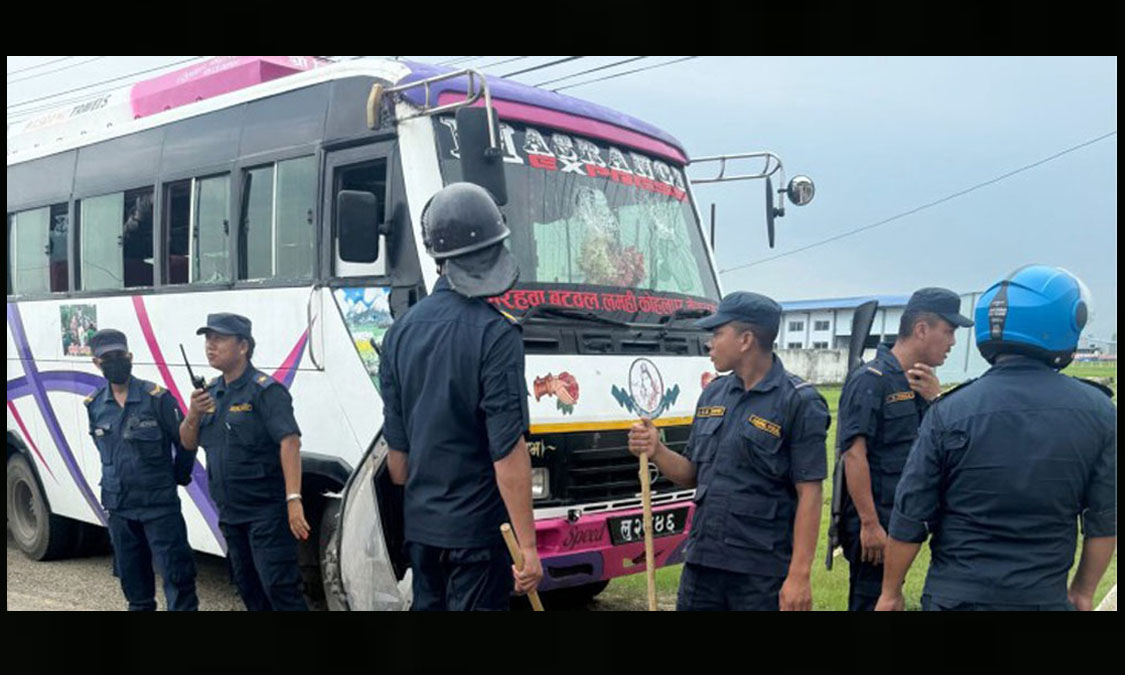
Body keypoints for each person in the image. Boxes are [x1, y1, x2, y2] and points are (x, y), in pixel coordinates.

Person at [877, 265, 1116, 611]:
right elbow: (1104, 519)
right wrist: (1082, 592)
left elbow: (911, 515)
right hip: (1041, 599)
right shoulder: (1099, 412)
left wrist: (890, 592)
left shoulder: (949, 411)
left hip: (955, 599)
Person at [378, 182, 542, 611]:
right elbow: (507, 454)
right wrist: (528, 548)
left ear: (438, 257)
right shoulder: (497, 333)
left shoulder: (398, 334)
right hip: (478, 537)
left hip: (422, 531)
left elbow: (398, 466)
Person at [628, 292, 830, 610]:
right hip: (703, 563)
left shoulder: (798, 402)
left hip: (760, 573)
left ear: (746, 339)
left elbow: (810, 494)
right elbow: (691, 473)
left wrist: (799, 576)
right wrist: (657, 450)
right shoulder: (714, 394)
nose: (710, 344)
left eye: (718, 333)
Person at [835, 288, 972, 610]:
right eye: (948, 331)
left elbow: (942, 448)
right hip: (877, 524)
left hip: (904, 521)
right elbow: (853, 454)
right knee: (871, 600)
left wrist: (937, 401)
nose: (952, 342)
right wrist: (869, 524)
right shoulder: (872, 379)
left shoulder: (921, 384)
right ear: (922, 329)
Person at [179, 313, 309, 611]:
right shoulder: (209, 393)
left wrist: (294, 499)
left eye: (219, 339)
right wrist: (193, 413)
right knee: (247, 588)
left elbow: (290, 442)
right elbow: (188, 442)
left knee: (280, 589)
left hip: (266, 512)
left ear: (243, 346)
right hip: (230, 513)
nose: (211, 346)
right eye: (208, 339)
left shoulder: (265, 391)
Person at [84, 328, 198, 611]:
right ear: (97, 363)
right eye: (107, 358)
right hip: (120, 507)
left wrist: (180, 476)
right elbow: (104, 452)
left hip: (159, 506)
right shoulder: (95, 405)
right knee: (134, 585)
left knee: (178, 577)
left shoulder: (157, 398)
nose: (114, 361)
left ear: (130, 356)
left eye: (119, 355)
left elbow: (185, 442)